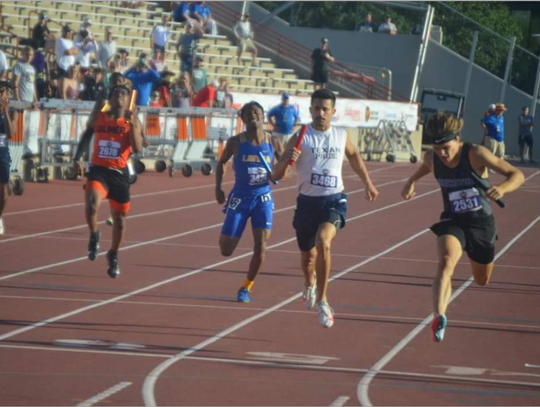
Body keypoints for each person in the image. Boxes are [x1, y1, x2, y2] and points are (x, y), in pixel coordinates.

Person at [401, 111, 525, 342]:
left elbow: (515, 174)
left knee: (482, 280)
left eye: (446, 147)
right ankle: (439, 315)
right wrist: (410, 182)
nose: (443, 154)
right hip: (453, 220)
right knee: (446, 261)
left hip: (481, 224)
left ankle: (444, 306)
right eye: (438, 150)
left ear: (457, 139)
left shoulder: (476, 153)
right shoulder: (432, 158)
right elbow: (422, 169)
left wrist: (503, 188)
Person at [272, 89, 379, 328]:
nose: (321, 113)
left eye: (325, 109)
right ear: (310, 110)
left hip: (334, 200)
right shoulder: (301, 136)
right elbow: (278, 174)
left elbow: (354, 157)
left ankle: (323, 300)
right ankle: (309, 284)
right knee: (308, 256)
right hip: (307, 204)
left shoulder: (341, 135)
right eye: (317, 108)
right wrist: (288, 158)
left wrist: (368, 184)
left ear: (333, 112)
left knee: (324, 241)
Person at [72, 81, 144, 278]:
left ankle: (113, 253)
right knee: (92, 203)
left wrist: (132, 126)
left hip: (119, 174)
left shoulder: (132, 120)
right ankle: (94, 234)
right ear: (110, 99)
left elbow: (137, 149)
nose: (120, 96)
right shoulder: (101, 115)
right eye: (116, 93)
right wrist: (76, 158)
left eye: (124, 94)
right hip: (99, 170)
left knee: (119, 219)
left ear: (128, 100)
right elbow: (87, 134)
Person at [215, 101, 284, 303]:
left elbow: (286, 171)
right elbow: (221, 162)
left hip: (263, 199)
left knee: (261, 247)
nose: (253, 115)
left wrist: (277, 173)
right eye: (248, 113)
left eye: (257, 112)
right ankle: (232, 229)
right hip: (239, 199)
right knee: (226, 250)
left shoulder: (274, 142)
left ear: (263, 117)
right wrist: (217, 187)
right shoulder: (236, 142)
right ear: (243, 119)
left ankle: (246, 287)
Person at [0, 82, 17, 235]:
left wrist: (4, 111)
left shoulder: (11, 112)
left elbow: (11, 134)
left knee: (3, 190)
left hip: (2, 154)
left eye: (2, 93)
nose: (0, 96)